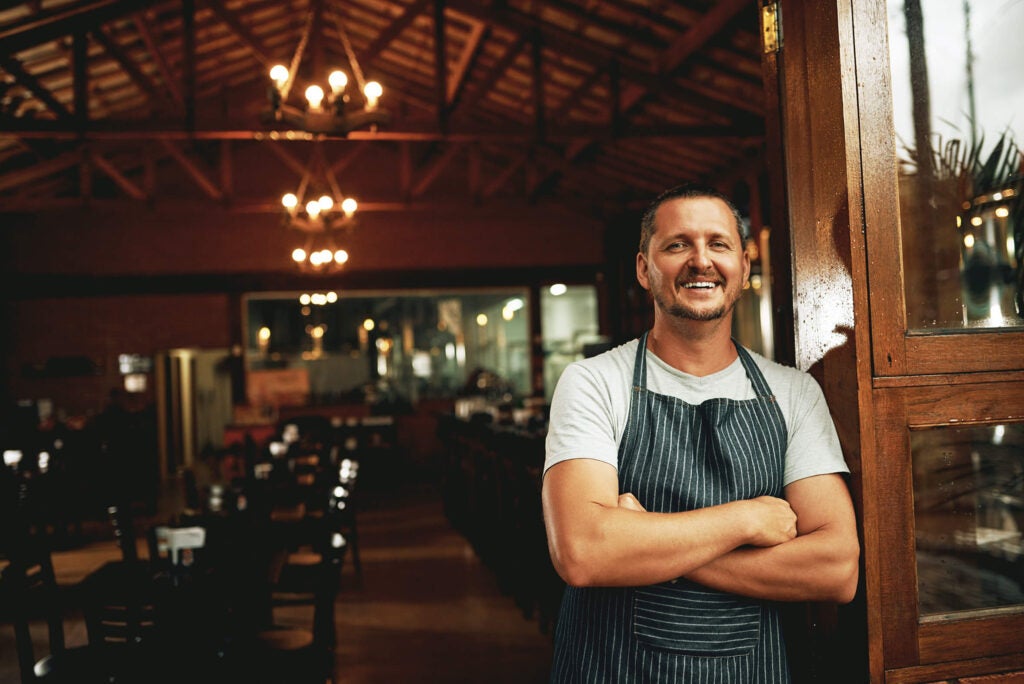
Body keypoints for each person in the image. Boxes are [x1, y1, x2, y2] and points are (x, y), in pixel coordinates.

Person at [542, 184, 859, 682]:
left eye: (718, 243)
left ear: (743, 265)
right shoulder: (593, 383)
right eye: (677, 245)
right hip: (612, 668)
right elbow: (583, 553)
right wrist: (748, 520)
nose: (700, 260)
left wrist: (645, 540)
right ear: (644, 269)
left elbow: (837, 568)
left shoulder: (793, 392)